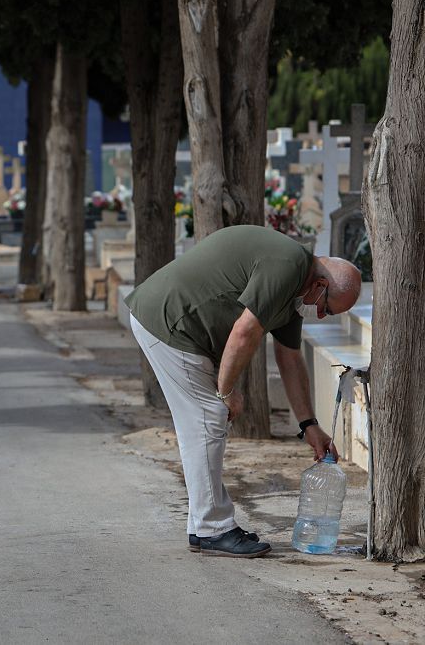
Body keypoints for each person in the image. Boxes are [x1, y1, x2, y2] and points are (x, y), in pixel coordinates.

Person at [126, 225, 362, 558]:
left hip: (175, 324)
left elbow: (290, 359)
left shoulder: (295, 288)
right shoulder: (288, 265)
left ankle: (202, 525)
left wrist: (309, 425)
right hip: (171, 323)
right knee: (209, 417)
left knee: (202, 424)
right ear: (320, 285)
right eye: (328, 308)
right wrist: (226, 392)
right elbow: (244, 332)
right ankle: (213, 529)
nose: (321, 315)